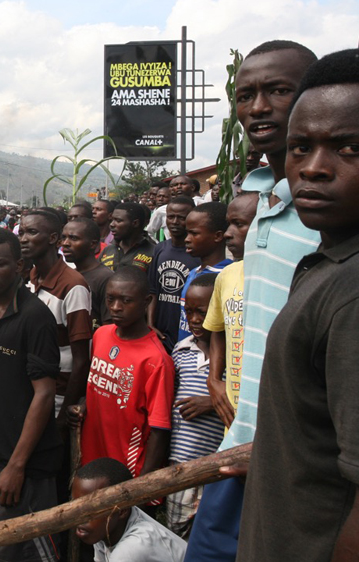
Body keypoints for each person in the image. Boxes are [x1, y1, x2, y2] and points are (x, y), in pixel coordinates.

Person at [184, 40, 319, 562]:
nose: (258, 107)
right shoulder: (259, 196)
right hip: (237, 442)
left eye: (278, 90)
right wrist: (218, 380)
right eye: (246, 95)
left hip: (294, 459)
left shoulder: (327, 208)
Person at [239, 48, 359, 562]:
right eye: (300, 148)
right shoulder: (326, 259)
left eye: (348, 148)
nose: (314, 169)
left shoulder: (351, 291)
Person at [0, 228, 61, 562]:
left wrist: (17, 466)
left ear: (19, 266)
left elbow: (44, 395)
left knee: (28, 551)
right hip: (1, 454)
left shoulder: (35, 317)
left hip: (29, 466)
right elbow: (0, 388)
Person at [70, 267, 174, 487]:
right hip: (92, 462)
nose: (116, 307)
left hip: (127, 470)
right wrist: (83, 407)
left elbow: (159, 429)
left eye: (126, 301)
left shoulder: (156, 359)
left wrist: (142, 487)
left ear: (146, 301)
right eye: (110, 299)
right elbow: (96, 386)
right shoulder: (101, 335)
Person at [164, 274, 224, 538]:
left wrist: (213, 403)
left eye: (203, 311)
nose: (195, 319)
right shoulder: (181, 350)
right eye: (189, 311)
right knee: (177, 531)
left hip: (214, 465)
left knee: (207, 534)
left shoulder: (234, 356)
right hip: (178, 461)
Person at [21, 210, 92, 419]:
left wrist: (63, 418)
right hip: (30, 391)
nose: (24, 239)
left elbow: (81, 359)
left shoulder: (73, 285)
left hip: (56, 397)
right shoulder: (31, 276)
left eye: (32, 232)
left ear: (53, 239)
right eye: (22, 232)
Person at [203, 193, 259, 428]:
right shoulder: (227, 275)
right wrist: (214, 380)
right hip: (232, 412)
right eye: (228, 224)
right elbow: (218, 329)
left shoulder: (291, 275)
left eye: (239, 224)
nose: (227, 233)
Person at [72, 458, 186, 562]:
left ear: (122, 511)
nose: (81, 517)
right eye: (76, 507)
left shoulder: (131, 549)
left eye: (91, 509)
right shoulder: (104, 530)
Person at [146, 195, 200, 351]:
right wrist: (150, 324)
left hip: (187, 335)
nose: (175, 222)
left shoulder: (197, 253)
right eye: (171, 217)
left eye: (181, 218)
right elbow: (153, 291)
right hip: (161, 332)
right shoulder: (160, 249)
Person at [175, 202, 230, 343]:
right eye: (187, 233)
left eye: (194, 233)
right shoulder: (194, 272)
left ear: (217, 236)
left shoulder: (226, 276)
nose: (187, 239)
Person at [61, 218, 113, 329]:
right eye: (63, 237)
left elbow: (109, 326)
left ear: (93, 244)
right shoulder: (69, 275)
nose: (65, 243)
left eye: (73, 238)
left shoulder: (105, 278)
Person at [100, 203, 155, 272]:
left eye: (118, 221)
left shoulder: (153, 252)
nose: (111, 224)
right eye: (112, 220)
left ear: (135, 223)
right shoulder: (107, 250)